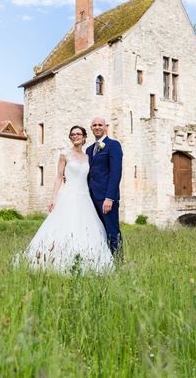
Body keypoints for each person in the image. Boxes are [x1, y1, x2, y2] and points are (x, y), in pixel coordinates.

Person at [19, 126, 114, 274]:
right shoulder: (64, 154)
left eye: (78, 134)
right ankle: (54, 260)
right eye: (73, 134)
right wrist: (53, 198)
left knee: (87, 228)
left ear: (84, 137)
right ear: (70, 137)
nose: (76, 136)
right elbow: (58, 178)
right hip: (68, 195)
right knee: (64, 226)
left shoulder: (88, 156)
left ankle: (87, 262)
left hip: (85, 197)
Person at [86, 117, 123, 259]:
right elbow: (87, 172)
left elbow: (115, 172)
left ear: (105, 127)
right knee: (98, 231)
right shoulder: (89, 150)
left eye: (100, 125)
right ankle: (103, 261)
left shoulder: (113, 145)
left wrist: (110, 197)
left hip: (107, 198)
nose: (97, 127)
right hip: (91, 198)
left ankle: (118, 261)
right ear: (91, 128)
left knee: (112, 231)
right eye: (94, 125)